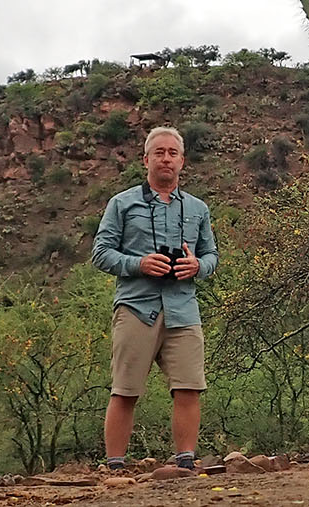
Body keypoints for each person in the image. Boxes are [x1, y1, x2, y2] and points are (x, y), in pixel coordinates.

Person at [91, 125, 218, 472]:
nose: (166, 159)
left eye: (172, 153)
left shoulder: (198, 208)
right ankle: (115, 465)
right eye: (159, 152)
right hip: (136, 307)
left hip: (183, 308)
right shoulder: (122, 203)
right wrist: (139, 264)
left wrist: (197, 266)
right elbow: (100, 253)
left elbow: (211, 255)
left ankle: (185, 462)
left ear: (182, 161)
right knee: (125, 389)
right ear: (146, 159)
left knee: (189, 386)